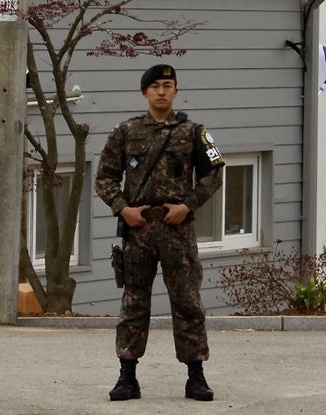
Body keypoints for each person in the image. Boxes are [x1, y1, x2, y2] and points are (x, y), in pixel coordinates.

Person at [94, 63, 224, 402]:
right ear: (145, 92)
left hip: (177, 229)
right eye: (155, 86)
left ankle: (196, 376)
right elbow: (105, 177)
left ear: (176, 91)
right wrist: (123, 208)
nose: (162, 91)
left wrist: (188, 205)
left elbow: (214, 173)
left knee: (188, 303)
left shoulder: (194, 132)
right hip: (139, 230)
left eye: (168, 85)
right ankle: (127, 376)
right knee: (133, 303)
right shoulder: (126, 132)